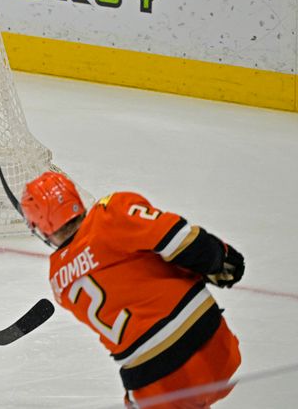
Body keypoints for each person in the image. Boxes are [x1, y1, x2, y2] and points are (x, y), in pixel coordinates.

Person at [20, 171, 244, 409]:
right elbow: (178, 239)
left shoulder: (58, 279)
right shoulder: (111, 212)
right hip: (214, 348)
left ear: (42, 228)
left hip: (154, 383)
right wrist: (220, 258)